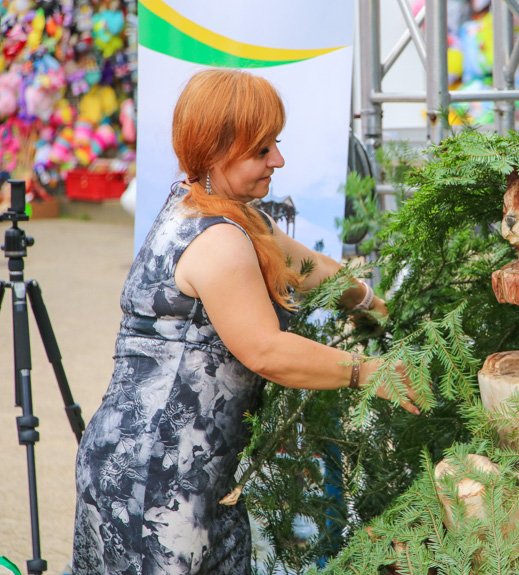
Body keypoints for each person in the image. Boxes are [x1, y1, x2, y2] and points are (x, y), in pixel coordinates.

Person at [72, 69, 419, 574]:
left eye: (275, 144)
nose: (278, 160)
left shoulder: (219, 211)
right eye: (262, 150)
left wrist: (372, 302)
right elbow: (266, 350)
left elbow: (306, 266)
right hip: (156, 480)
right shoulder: (217, 240)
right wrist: (369, 371)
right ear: (214, 151)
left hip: (189, 473)